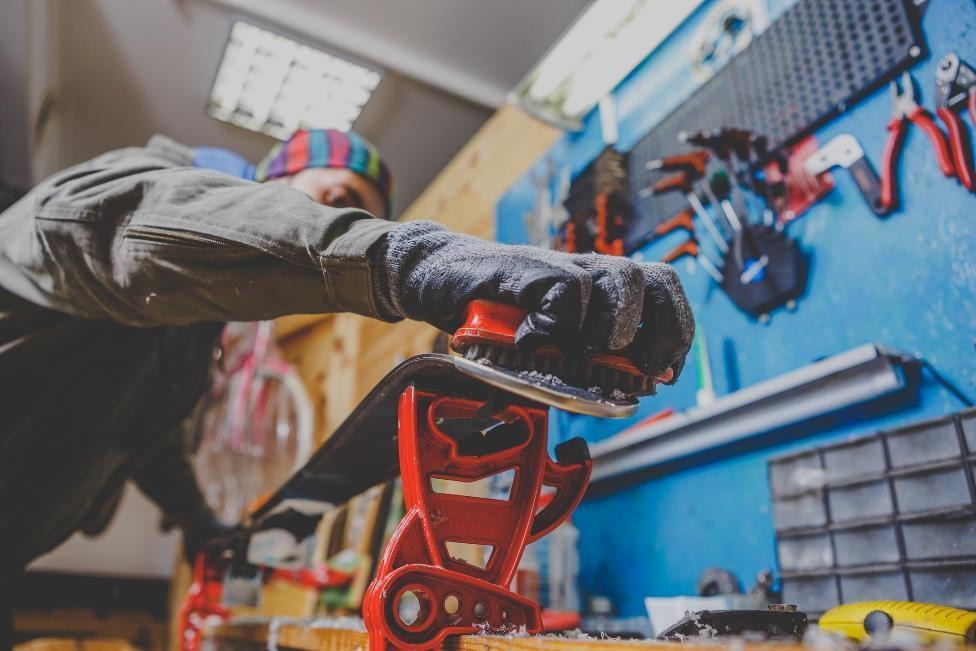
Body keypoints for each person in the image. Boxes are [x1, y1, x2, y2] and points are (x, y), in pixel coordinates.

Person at [0, 127, 693, 611]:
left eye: (363, 215)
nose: (340, 217)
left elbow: (142, 437)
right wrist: (405, 262)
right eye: (335, 198)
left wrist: (199, 521)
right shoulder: (126, 196)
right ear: (271, 180)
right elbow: (133, 229)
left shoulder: (185, 333)